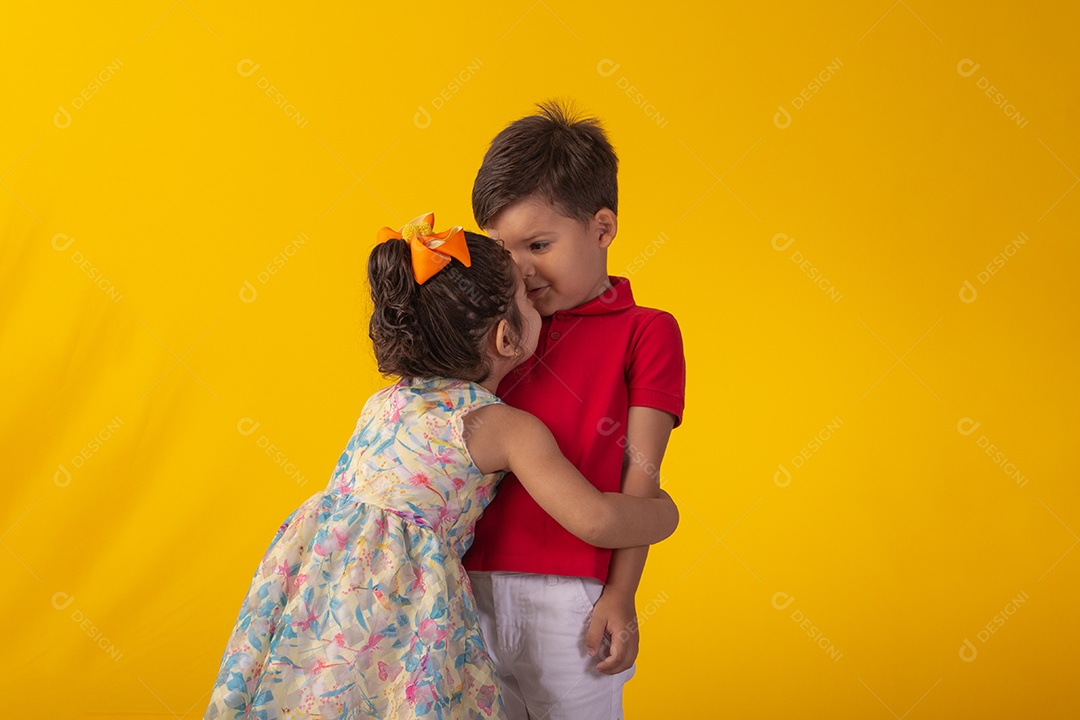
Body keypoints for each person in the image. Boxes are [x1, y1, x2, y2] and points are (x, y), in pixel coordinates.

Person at [203, 214, 679, 720]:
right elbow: (595, 519)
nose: (535, 293)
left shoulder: (382, 403)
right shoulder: (502, 427)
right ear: (505, 340)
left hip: (323, 589)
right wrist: (664, 513)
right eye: (524, 296)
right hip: (401, 600)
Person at [463, 102, 686, 719]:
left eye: (539, 243)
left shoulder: (647, 333)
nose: (521, 270)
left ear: (603, 228)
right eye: (502, 250)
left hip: (573, 600)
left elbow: (641, 483)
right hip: (465, 589)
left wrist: (621, 594)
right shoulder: (494, 331)